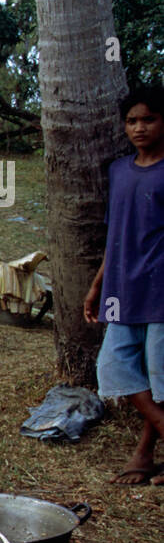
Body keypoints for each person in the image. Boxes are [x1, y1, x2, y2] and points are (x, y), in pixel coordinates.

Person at [83, 85, 164, 485]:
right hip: (120, 290)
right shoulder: (119, 170)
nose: (139, 128)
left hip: (159, 291)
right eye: (132, 121)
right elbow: (115, 233)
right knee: (114, 367)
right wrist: (98, 285)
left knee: (160, 377)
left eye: (148, 119)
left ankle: (144, 454)